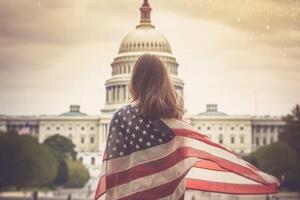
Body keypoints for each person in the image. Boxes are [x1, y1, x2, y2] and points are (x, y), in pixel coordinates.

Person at [94, 54, 279, 200]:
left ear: (134, 80)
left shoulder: (121, 117)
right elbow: (179, 169)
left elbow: (114, 170)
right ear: (163, 80)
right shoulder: (176, 121)